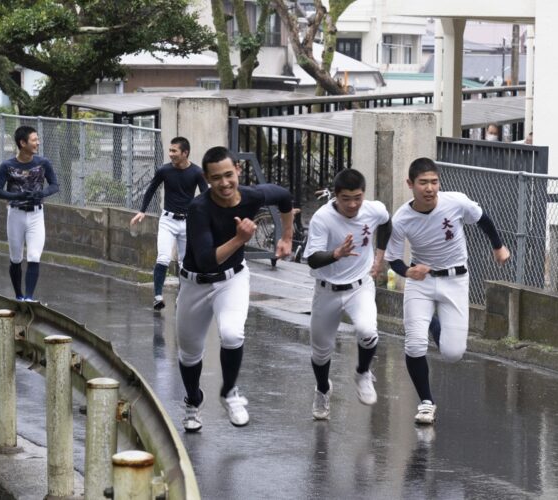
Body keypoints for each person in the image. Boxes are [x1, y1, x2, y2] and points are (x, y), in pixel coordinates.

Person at [385, 157, 510, 425]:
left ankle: (432, 324)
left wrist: (498, 246)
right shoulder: (401, 218)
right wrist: (407, 272)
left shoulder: (455, 202)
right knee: (415, 343)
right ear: (410, 184)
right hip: (421, 281)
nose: (429, 188)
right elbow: (393, 259)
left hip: (455, 280)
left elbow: (483, 219)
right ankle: (426, 403)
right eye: (423, 183)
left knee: (453, 353)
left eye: (434, 182)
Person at [176, 146, 293, 432]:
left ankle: (229, 392)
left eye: (229, 175)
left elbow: (285, 197)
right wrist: (241, 239)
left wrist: (287, 236)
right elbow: (205, 259)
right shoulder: (199, 209)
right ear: (207, 178)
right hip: (195, 282)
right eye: (217, 178)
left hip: (232, 279)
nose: (225, 183)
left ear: (238, 171)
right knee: (190, 353)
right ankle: (193, 401)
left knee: (231, 332)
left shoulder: (252, 196)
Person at [302, 169, 391, 420]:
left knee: (367, 330)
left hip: (360, 286)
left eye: (357, 197)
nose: (352, 204)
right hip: (327, 290)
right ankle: (322, 389)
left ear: (364, 194)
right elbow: (312, 260)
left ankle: (363, 372)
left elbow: (386, 222)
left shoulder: (373, 209)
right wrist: (335, 254)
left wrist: (380, 256)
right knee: (321, 351)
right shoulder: (323, 218)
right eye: (346, 199)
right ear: (336, 196)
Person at [130, 137, 208, 310]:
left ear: (185, 153)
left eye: (174, 151)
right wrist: (142, 210)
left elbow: (206, 195)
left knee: (185, 262)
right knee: (163, 258)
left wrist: (205, 218)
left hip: (188, 222)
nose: (170, 154)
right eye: (170, 150)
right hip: (167, 220)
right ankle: (158, 296)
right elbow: (151, 189)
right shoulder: (164, 170)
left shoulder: (196, 172)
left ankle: (182, 297)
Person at [0, 125, 59, 301]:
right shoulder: (7, 166)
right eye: (34, 140)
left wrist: (42, 193)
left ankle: (29, 297)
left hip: (37, 214)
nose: (38, 142)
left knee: (34, 255)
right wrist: (17, 195)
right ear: (22, 143)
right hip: (15, 214)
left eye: (37, 139)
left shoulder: (43, 163)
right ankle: (19, 295)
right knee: (16, 257)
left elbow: (54, 185)